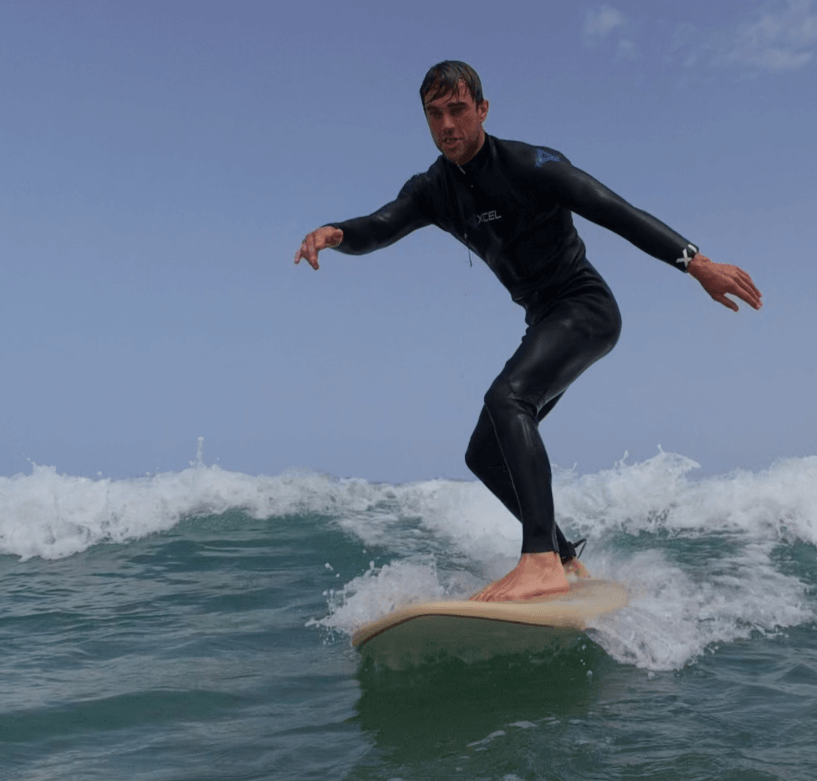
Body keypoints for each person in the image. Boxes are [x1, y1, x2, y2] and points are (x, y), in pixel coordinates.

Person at [294, 61, 762, 602]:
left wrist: (696, 263)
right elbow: (380, 226)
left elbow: (615, 210)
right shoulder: (433, 189)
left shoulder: (531, 164)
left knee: (508, 399)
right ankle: (564, 559)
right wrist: (335, 233)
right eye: (434, 114)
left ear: (482, 110)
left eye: (458, 110)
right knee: (484, 453)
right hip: (544, 319)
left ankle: (539, 560)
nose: (447, 125)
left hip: (585, 309)